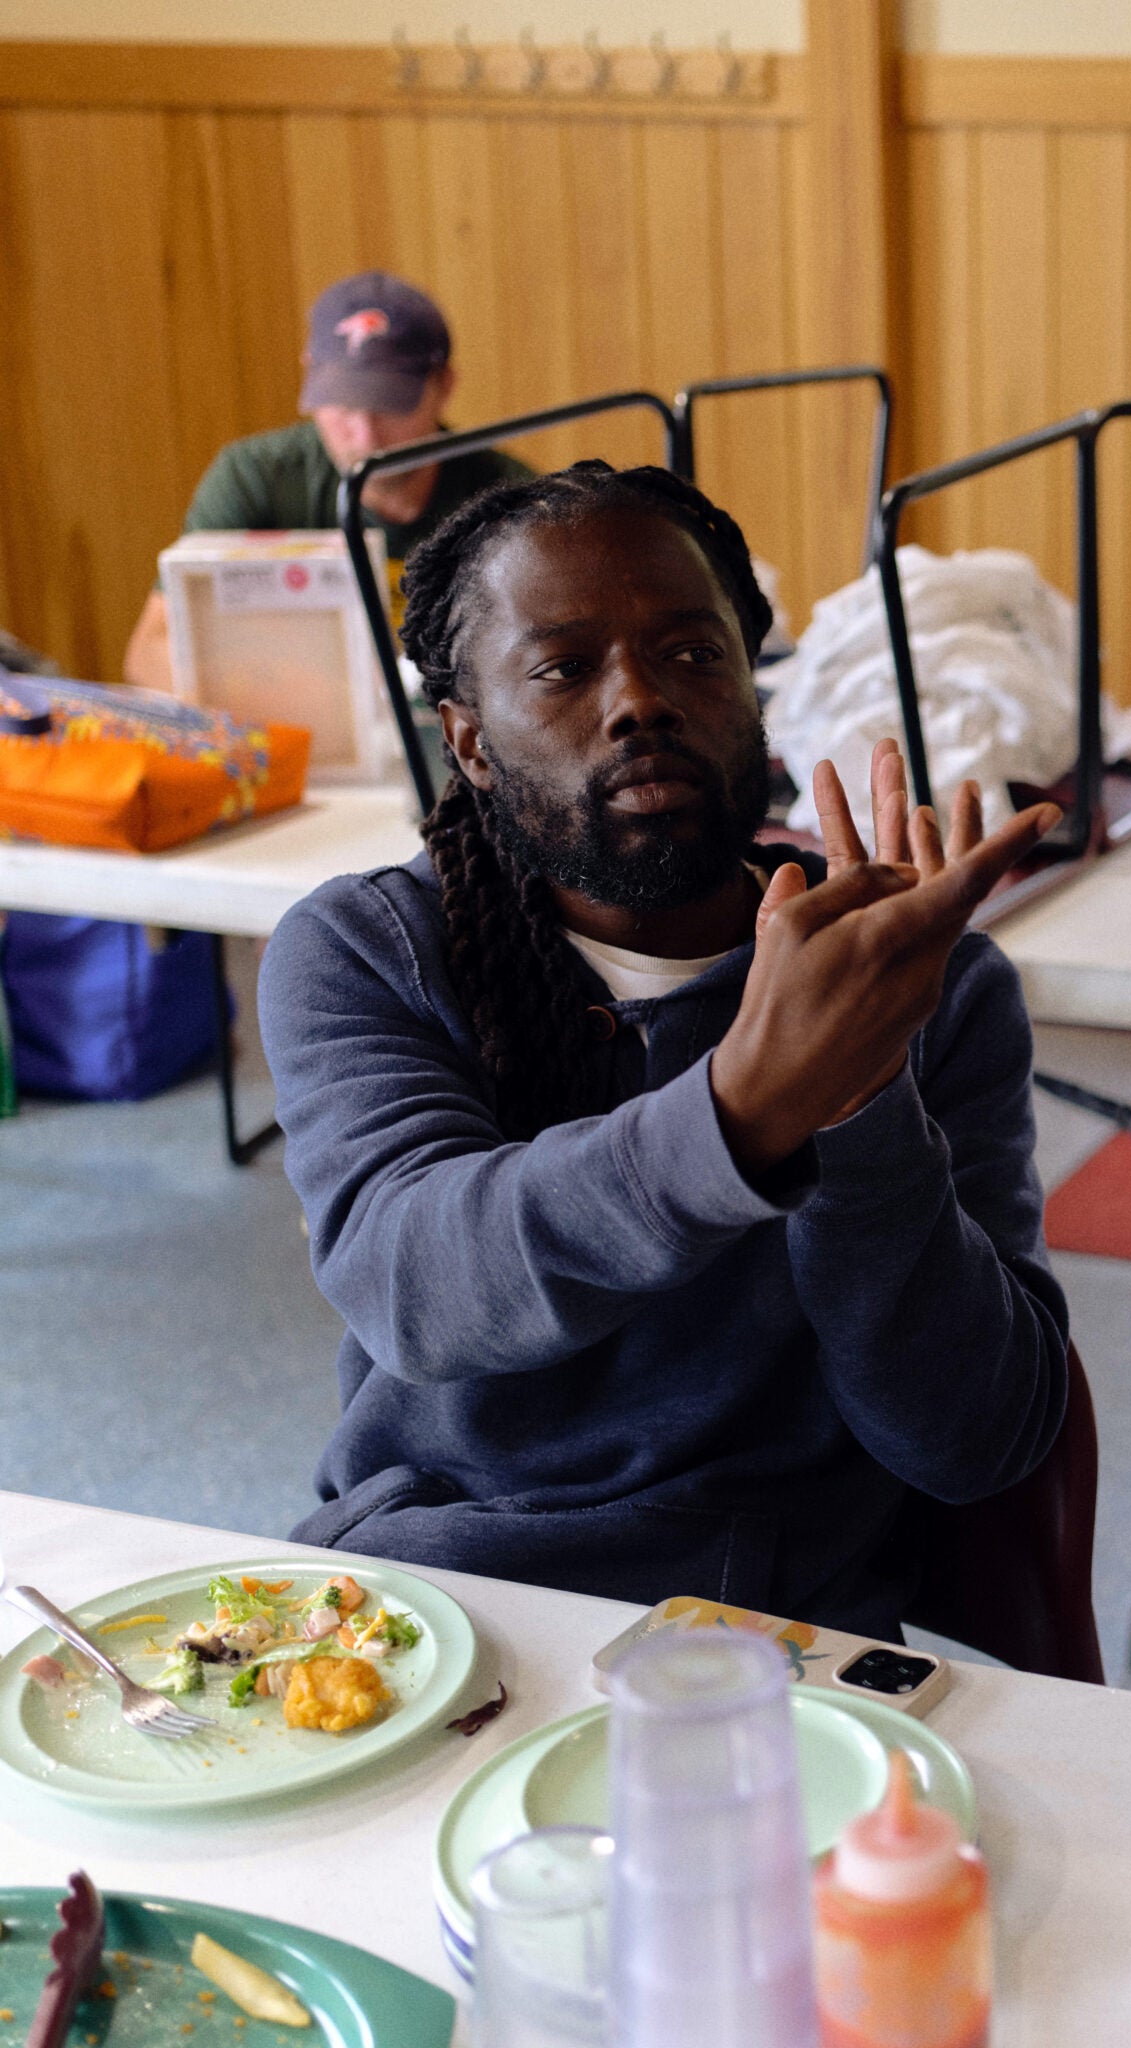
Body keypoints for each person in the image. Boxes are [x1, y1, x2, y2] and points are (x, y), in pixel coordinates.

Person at [257, 459, 1070, 1631]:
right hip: (438, 1603)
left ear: (755, 694)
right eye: (563, 667)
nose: (639, 698)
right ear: (472, 741)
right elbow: (421, 1287)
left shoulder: (919, 988)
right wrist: (745, 1104)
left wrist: (858, 1094)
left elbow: (978, 1436)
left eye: (694, 652)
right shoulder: (367, 948)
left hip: (764, 1641)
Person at [123, 272, 530, 691]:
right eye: (344, 404)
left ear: (443, 386)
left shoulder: (509, 501)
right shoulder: (257, 478)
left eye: (390, 406)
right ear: (309, 375)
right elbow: (150, 652)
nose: (366, 436)